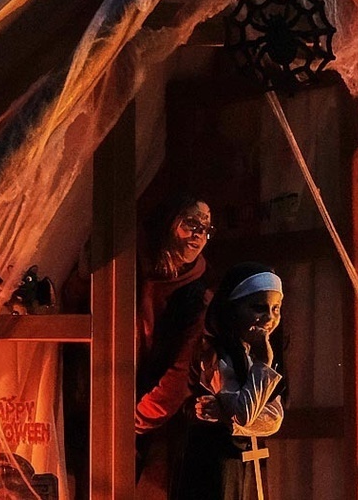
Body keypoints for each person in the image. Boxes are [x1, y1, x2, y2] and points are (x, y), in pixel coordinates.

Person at [174, 263, 286, 500]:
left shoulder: (253, 354)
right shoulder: (214, 354)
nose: (269, 318)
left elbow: (274, 418)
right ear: (232, 309)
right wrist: (262, 365)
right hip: (214, 463)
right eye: (259, 308)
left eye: (276, 309)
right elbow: (245, 414)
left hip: (243, 458)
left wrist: (227, 414)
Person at [133, 196, 216, 496]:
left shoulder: (197, 298)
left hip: (145, 418)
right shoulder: (135, 268)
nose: (197, 234)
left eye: (205, 229)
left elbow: (179, 375)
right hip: (105, 392)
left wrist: (132, 422)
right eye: (191, 223)